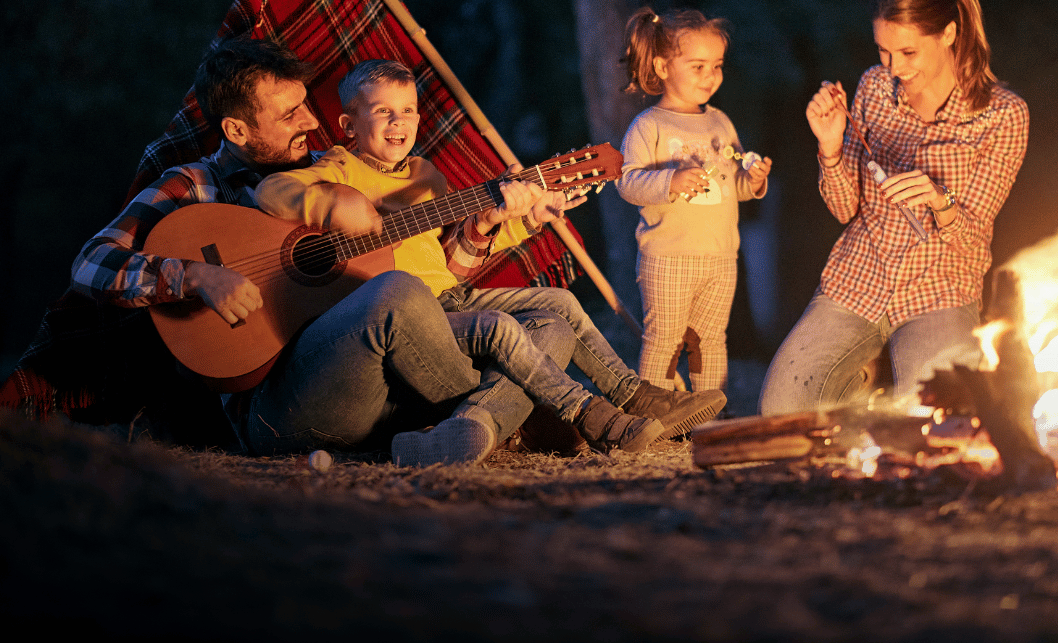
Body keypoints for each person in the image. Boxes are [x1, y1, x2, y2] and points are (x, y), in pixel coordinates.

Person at [66, 38, 669, 466]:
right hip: (285, 403)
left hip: (389, 385)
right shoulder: (192, 188)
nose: (311, 119)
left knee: (549, 324)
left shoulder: (332, 169)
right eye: (290, 112)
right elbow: (90, 264)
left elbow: (433, 274)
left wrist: (486, 223)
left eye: (306, 102)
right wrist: (195, 275)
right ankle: (528, 416)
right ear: (237, 131)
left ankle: (464, 430)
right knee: (399, 291)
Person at [253, 58, 728, 460]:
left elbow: (451, 267)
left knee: (559, 304)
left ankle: (634, 394)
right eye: (382, 112)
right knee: (510, 330)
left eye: (408, 111)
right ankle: (589, 416)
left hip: (449, 296)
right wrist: (330, 203)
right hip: (406, 317)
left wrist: (514, 220)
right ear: (349, 124)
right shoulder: (337, 167)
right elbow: (270, 189)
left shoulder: (427, 177)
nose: (399, 122)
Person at [759, 0, 1029, 415]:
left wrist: (939, 199)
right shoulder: (873, 88)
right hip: (860, 278)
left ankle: (880, 391)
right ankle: (864, 386)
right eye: (883, 51)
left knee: (938, 417)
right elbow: (845, 208)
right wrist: (829, 147)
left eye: (907, 51)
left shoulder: (1002, 115)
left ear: (948, 33)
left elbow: (972, 236)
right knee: (782, 411)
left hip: (940, 287)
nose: (894, 68)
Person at [616, 7, 772, 393]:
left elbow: (730, 184)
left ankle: (709, 414)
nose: (710, 76)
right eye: (698, 66)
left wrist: (752, 181)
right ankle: (655, 410)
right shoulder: (649, 125)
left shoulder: (720, 121)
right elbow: (628, 182)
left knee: (711, 339)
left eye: (716, 66)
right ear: (663, 66)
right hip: (668, 255)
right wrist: (670, 180)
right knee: (664, 339)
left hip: (720, 256)